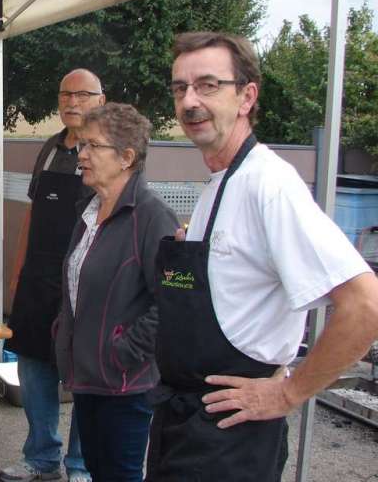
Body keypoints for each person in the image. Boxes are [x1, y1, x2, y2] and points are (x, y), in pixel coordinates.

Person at [146, 32, 378, 481]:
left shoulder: (269, 183)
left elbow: (365, 303)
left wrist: (288, 393)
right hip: (185, 420)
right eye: (180, 88)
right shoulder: (221, 182)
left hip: (230, 439)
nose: (190, 101)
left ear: (247, 96)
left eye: (209, 85)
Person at [54, 103, 179, 482]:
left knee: (120, 475)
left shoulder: (153, 216)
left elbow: (172, 304)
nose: (82, 155)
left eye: (93, 146)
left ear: (126, 157)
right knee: (96, 468)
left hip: (127, 383)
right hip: (88, 372)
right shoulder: (89, 209)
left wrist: (123, 351)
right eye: (82, 145)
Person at [0, 69, 103, 482]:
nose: (72, 102)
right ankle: (41, 457)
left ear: (101, 99)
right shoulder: (49, 148)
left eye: (82, 94)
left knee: (85, 374)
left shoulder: (107, 150)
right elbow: (32, 213)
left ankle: (80, 464)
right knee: (33, 366)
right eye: (65, 94)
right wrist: (18, 270)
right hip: (39, 279)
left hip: (87, 281)